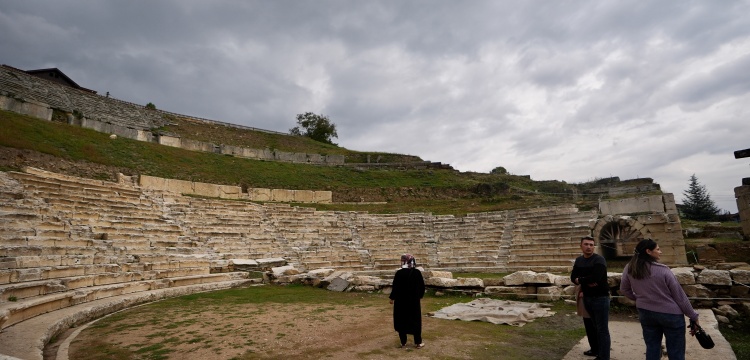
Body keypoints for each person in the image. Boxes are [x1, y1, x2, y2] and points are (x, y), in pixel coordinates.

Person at [620, 239, 700, 360]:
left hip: (645, 312)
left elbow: (624, 289)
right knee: (676, 351)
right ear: (648, 251)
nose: (660, 252)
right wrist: (693, 316)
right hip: (671, 315)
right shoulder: (663, 270)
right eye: (657, 249)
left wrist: (640, 299)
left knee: (652, 347)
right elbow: (680, 296)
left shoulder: (629, 267)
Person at [570, 236, 611, 360]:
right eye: (586, 244)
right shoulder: (579, 260)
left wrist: (581, 279)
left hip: (600, 298)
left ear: (594, 246)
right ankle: (595, 350)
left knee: (602, 329)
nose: (589, 247)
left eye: (591, 245)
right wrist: (585, 281)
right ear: (581, 246)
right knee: (592, 326)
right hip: (587, 297)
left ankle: (604, 356)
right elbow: (573, 277)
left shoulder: (599, 260)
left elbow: (596, 278)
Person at [389, 254, 426, 349]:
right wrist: (420, 296)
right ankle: (418, 342)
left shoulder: (399, 273)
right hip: (414, 302)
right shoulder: (417, 273)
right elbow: (422, 287)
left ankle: (403, 342)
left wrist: (392, 298)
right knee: (415, 320)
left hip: (401, 302)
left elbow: (395, 287)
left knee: (401, 320)